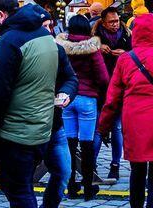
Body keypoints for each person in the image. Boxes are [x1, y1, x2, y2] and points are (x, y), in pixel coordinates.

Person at [0, 0, 77, 208]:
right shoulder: (45, 39)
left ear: (1, 15)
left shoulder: (8, 42)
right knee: (26, 187)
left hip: (16, 132)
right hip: (42, 130)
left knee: (19, 191)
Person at [100, 13, 153, 208]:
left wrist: (104, 125)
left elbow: (112, 98)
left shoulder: (125, 59)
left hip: (132, 120)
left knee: (136, 171)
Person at [56, 14, 109, 200]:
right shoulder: (92, 49)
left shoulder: (62, 48)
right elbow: (103, 77)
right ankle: (88, 188)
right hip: (87, 99)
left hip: (67, 98)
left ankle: (70, 187)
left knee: (69, 144)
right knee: (87, 145)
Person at [94, 7, 132, 183]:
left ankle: (115, 164)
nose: (115, 24)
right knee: (99, 128)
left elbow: (135, 54)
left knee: (117, 127)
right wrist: (97, 47)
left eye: (116, 20)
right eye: (111, 21)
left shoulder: (127, 35)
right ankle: (90, 164)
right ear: (103, 21)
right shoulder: (94, 36)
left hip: (121, 87)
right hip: (100, 88)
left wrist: (126, 55)